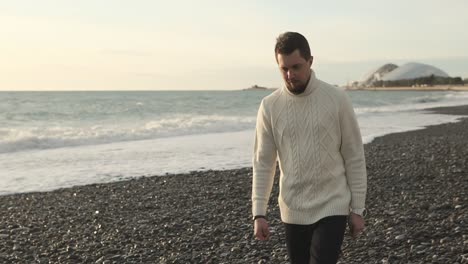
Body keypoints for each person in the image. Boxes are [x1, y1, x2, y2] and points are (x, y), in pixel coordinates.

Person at [251, 32, 367, 264]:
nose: (290, 75)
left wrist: (357, 208)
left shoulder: (336, 99)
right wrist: (259, 213)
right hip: (292, 207)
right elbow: (263, 162)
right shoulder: (269, 106)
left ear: (310, 61)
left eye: (296, 67)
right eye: (283, 69)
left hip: (332, 204)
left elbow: (354, 155)